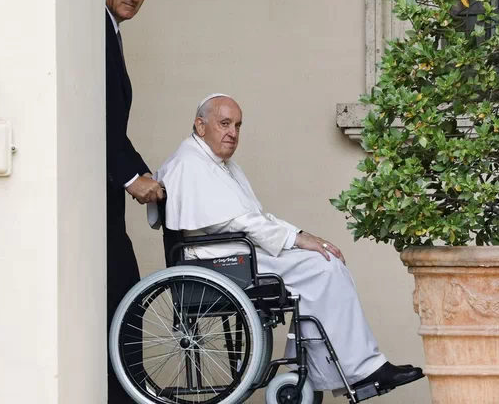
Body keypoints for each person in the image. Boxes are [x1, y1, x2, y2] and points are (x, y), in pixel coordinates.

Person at [151, 94, 424, 393]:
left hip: (235, 251)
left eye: (238, 125)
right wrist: (296, 239)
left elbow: (254, 217)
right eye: (224, 123)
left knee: (323, 263)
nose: (233, 133)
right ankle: (361, 370)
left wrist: (301, 234)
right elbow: (237, 222)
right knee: (322, 268)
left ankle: (325, 373)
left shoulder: (218, 163)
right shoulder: (190, 164)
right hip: (220, 258)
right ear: (201, 126)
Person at [105, 0, 164, 402]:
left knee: (124, 294)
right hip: (95, 195)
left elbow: (116, 131)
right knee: (125, 292)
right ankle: (126, 393)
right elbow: (97, 117)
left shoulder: (111, 32)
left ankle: (126, 391)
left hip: (106, 197)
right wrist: (131, 178)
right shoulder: (95, 31)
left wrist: (147, 174)